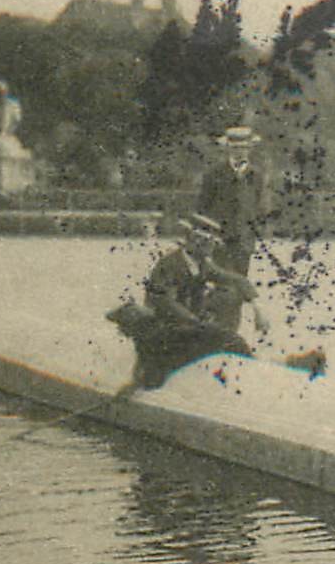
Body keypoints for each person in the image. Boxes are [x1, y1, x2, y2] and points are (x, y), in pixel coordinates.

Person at [107, 216, 267, 390]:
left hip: (188, 325)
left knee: (226, 327)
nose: (210, 249)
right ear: (194, 241)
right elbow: (165, 302)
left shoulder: (202, 264)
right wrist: (196, 322)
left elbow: (238, 280)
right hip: (166, 326)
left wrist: (258, 310)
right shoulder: (169, 265)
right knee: (223, 338)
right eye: (207, 243)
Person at [197, 125, 268, 289]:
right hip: (219, 239)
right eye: (235, 148)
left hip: (244, 241)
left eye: (244, 148)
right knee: (220, 284)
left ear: (250, 149)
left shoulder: (256, 175)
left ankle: (235, 315)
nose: (240, 152)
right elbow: (202, 207)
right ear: (227, 149)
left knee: (240, 284)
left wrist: (254, 230)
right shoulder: (214, 174)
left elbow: (260, 206)